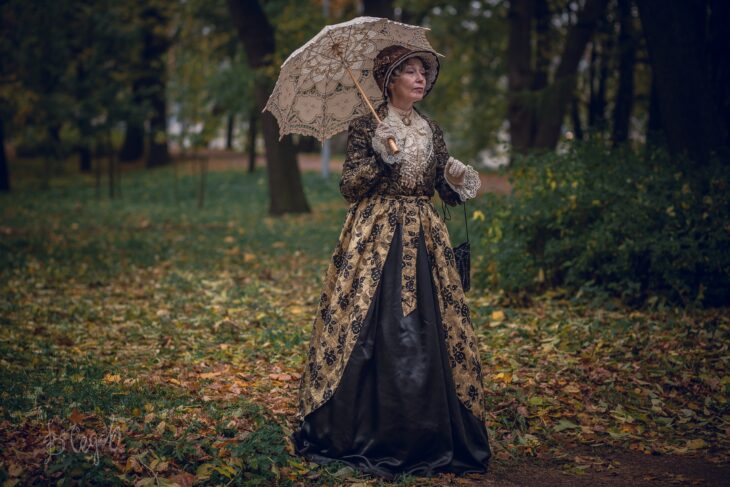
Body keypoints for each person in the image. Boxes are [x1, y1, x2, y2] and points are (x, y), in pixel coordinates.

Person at [292, 44, 490, 480]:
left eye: (423, 72)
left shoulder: (431, 129)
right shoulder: (367, 125)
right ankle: (364, 427)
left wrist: (456, 179)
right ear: (390, 80)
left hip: (425, 237)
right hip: (375, 234)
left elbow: (441, 189)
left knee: (431, 325)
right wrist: (383, 157)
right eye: (411, 72)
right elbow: (350, 186)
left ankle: (431, 430)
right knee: (370, 324)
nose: (421, 79)